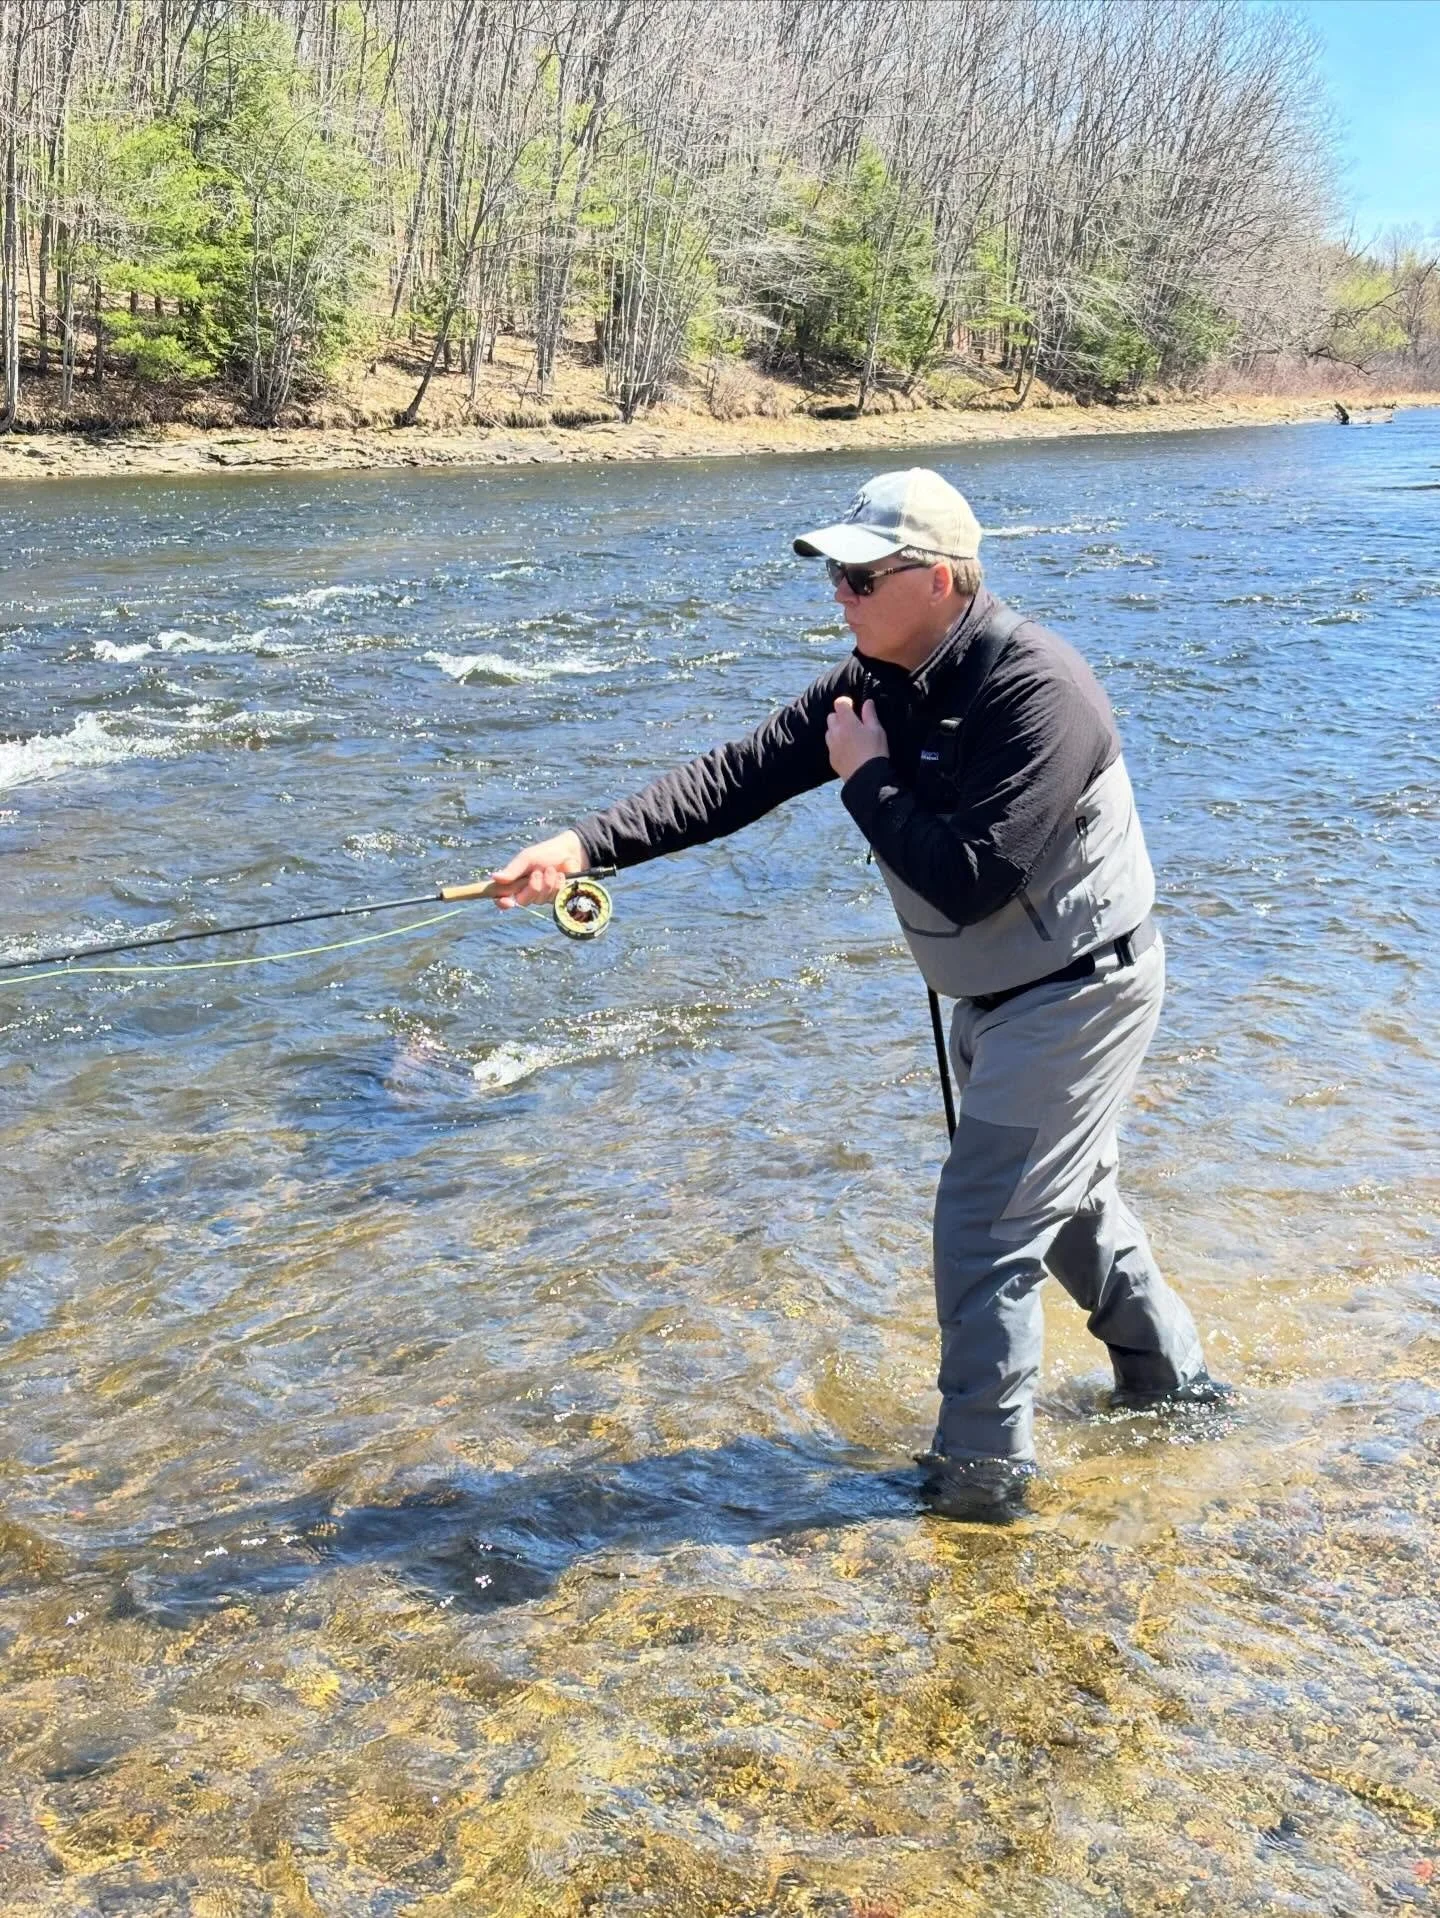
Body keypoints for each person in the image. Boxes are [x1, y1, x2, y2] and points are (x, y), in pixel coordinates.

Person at [490, 468, 1228, 1520]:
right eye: (833, 572)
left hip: (1076, 992)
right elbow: (736, 774)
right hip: (1000, 998)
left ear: (935, 579)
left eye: (857, 575)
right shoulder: (875, 681)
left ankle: (979, 1486)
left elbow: (973, 881)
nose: (836, 592)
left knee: (983, 1228)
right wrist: (580, 847)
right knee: (1060, 1206)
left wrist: (866, 780)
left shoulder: (1038, 692)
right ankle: (1173, 1389)